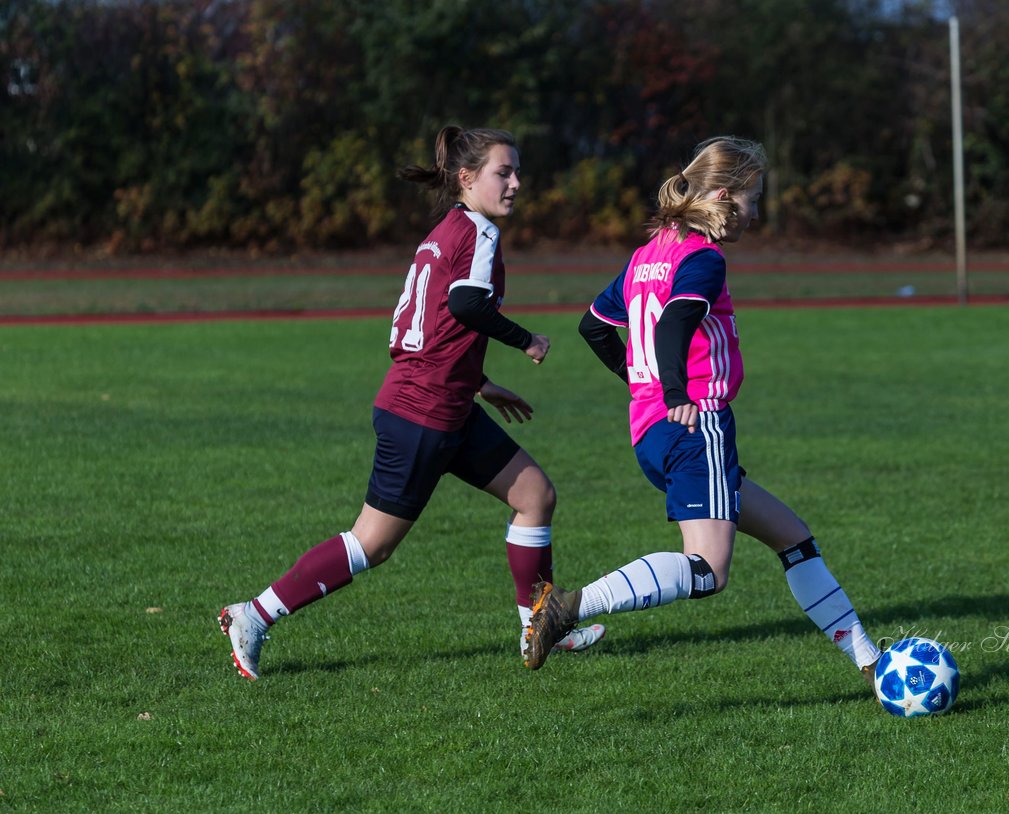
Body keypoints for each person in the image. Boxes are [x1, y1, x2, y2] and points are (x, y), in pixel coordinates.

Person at [218, 126, 604, 680]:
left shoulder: (443, 232)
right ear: (467, 179)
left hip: (444, 405)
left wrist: (480, 382)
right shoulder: (479, 234)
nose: (516, 183)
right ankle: (252, 615)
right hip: (422, 415)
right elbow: (467, 305)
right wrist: (527, 341)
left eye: (518, 171)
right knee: (372, 545)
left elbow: (424, 329)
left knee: (535, 495)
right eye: (504, 172)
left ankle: (540, 627)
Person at [524, 136, 883, 691]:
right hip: (695, 426)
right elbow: (674, 325)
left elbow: (593, 326)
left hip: (651, 432)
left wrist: (639, 382)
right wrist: (674, 393)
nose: (755, 212)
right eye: (752, 199)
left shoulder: (648, 255)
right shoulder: (702, 258)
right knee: (708, 572)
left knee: (793, 537)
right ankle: (569, 605)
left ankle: (870, 662)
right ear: (722, 195)